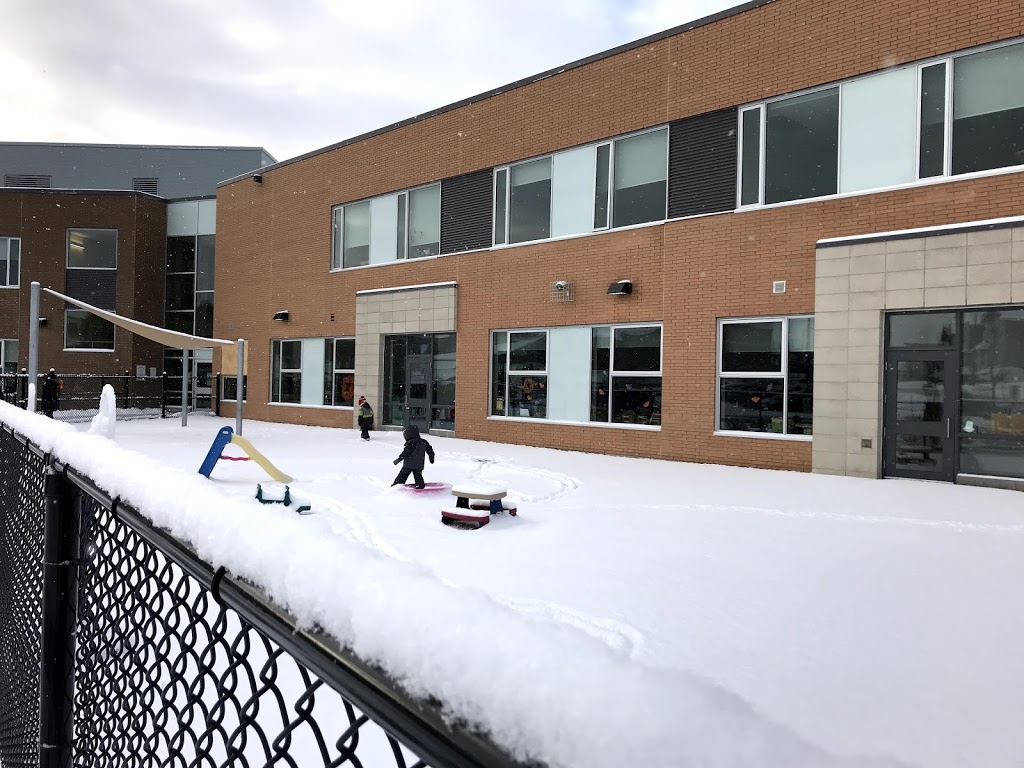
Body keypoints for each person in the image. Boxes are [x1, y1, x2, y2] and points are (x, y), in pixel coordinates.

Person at [392, 424, 434, 489]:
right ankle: (420, 485)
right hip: (419, 464)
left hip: (408, 465)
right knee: (418, 475)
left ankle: (397, 485)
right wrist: (431, 458)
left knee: (403, 475)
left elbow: (406, 453)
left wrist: (399, 459)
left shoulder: (410, 443)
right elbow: (430, 450)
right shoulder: (423, 442)